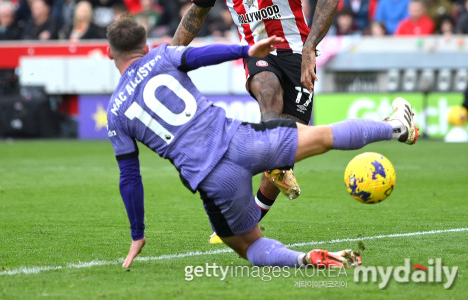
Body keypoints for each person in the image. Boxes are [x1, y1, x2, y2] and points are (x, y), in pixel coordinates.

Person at [106, 17, 418, 268]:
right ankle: (394, 128)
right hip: (243, 140)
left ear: (110, 52)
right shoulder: (162, 55)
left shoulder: (116, 111)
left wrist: (138, 234)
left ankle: (304, 259)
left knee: (250, 245)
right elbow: (200, 55)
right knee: (323, 135)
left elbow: (130, 176)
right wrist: (245, 51)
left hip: (213, 179)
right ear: (145, 47)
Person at [171, 0, 339, 240]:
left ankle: (248, 217)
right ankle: (277, 163)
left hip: (297, 53)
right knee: (266, 88)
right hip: (259, 51)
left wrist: (309, 48)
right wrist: (171, 58)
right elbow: (196, 15)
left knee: (287, 140)